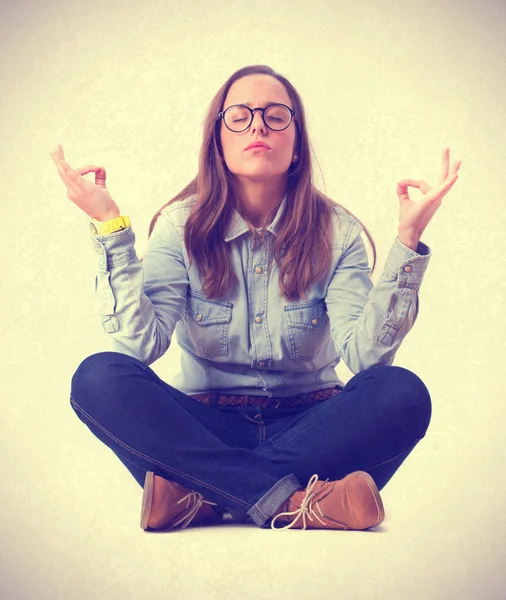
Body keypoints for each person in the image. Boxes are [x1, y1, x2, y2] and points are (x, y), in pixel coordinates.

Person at [50, 64, 461, 532]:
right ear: (218, 141)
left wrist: (408, 239)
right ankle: (303, 503)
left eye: (275, 115)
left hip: (312, 429)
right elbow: (142, 346)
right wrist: (109, 226)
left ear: (297, 142)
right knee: (98, 377)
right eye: (240, 116)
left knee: (402, 392)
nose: (258, 125)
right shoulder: (179, 227)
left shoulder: (338, 233)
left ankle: (202, 496)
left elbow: (366, 358)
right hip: (203, 430)